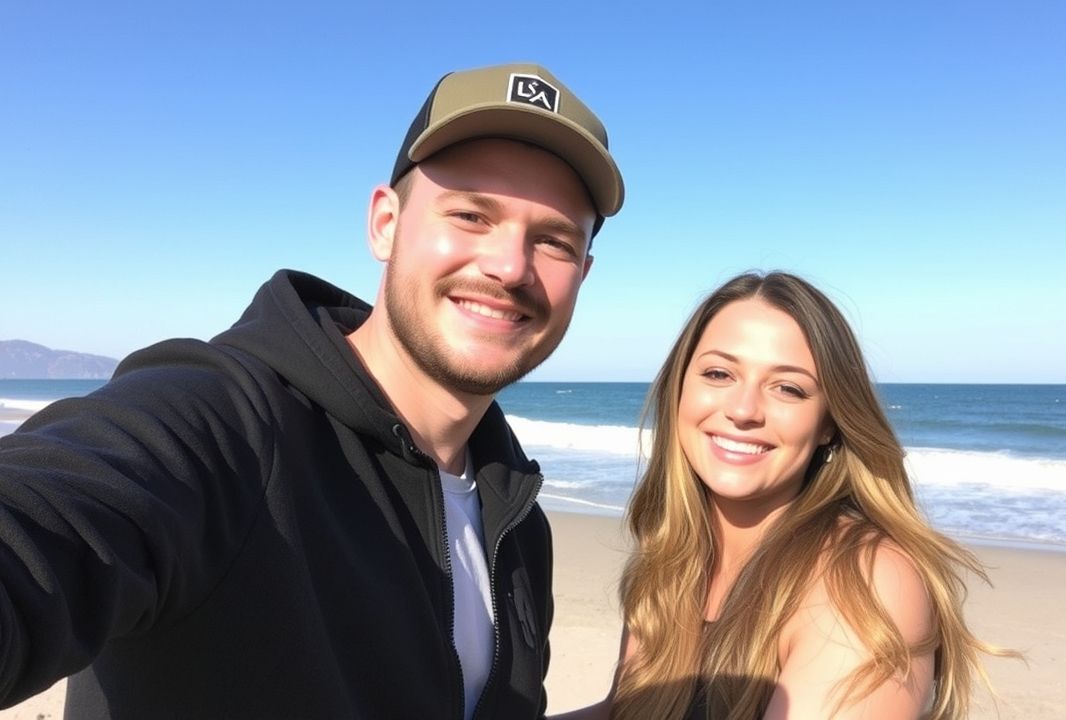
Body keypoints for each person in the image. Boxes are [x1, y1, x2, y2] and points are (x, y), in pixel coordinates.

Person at [0, 62, 624, 719]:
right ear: (385, 223)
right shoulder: (226, 421)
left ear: (582, 273)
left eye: (552, 241)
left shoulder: (518, 522)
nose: (508, 266)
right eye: (471, 214)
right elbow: (48, 520)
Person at [557, 272, 1011, 720]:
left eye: (788, 388)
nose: (743, 410)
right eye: (719, 373)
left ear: (830, 423)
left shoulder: (864, 581)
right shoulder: (670, 563)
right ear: (679, 390)